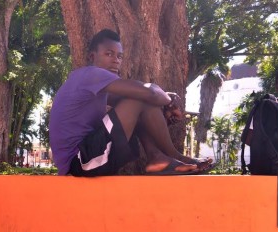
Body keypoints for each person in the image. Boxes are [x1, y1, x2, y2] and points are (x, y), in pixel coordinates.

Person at [49, 29, 211, 176]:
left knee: (140, 100)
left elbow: (147, 101)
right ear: (92, 56)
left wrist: (163, 105)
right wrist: (170, 98)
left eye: (119, 56)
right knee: (139, 97)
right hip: (78, 161)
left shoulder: (97, 90)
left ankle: (157, 158)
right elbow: (149, 93)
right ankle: (175, 156)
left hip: (89, 155)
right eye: (109, 54)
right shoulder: (91, 74)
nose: (116, 61)